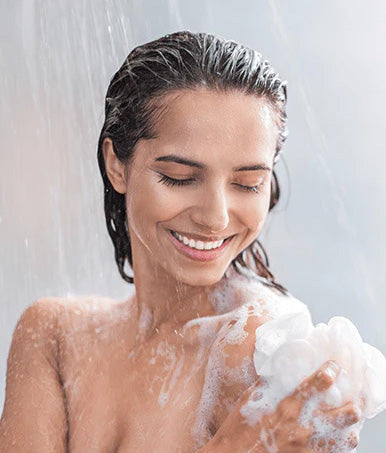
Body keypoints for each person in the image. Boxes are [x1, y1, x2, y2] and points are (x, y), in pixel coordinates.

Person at [0, 31, 361, 452]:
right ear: (116, 164)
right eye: (180, 177)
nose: (216, 217)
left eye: (247, 183)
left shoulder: (267, 353)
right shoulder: (54, 336)